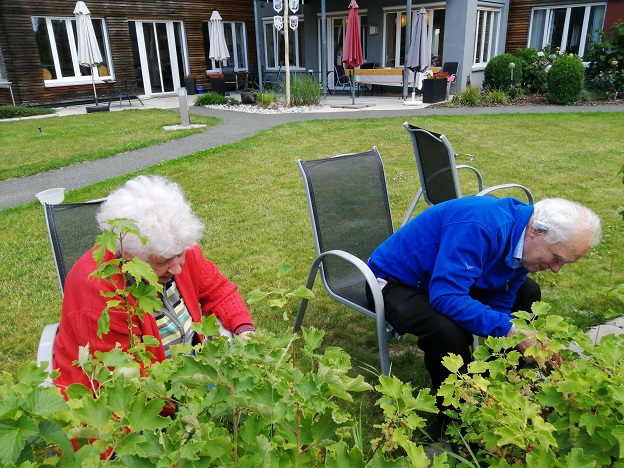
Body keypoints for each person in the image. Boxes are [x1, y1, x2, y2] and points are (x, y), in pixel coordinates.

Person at [367, 196, 601, 396]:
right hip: (395, 282)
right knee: (446, 330)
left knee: (528, 291)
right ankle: (457, 415)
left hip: (440, 278)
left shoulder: (525, 240)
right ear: (537, 231)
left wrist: (508, 329)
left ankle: (498, 381)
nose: (556, 269)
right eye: (557, 258)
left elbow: (503, 293)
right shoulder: (480, 225)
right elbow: (446, 296)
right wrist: (510, 329)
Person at [54, 175, 255, 394]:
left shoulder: (178, 248)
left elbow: (219, 291)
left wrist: (244, 330)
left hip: (189, 372)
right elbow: (126, 384)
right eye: (162, 261)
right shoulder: (97, 292)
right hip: (130, 396)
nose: (177, 268)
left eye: (180, 254)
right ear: (129, 254)